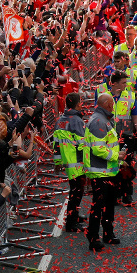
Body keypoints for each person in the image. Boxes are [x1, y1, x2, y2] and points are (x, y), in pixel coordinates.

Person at [82, 92, 122, 251]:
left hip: (108, 171)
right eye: (112, 103)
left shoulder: (102, 119)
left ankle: (107, 233)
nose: (113, 106)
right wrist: (117, 156)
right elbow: (99, 149)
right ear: (107, 105)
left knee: (109, 205)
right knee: (98, 206)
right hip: (100, 172)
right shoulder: (99, 121)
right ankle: (93, 237)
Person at [52, 92, 86, 232]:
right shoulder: (77, 121)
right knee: (76, 193)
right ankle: (71, 224)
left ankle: (75, 216)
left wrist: (57, 163)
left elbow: (56, 144)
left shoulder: (60, 120)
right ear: (78, 104)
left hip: (68, 162)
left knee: (75, 191)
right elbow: (83, 144)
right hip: (78, 162)